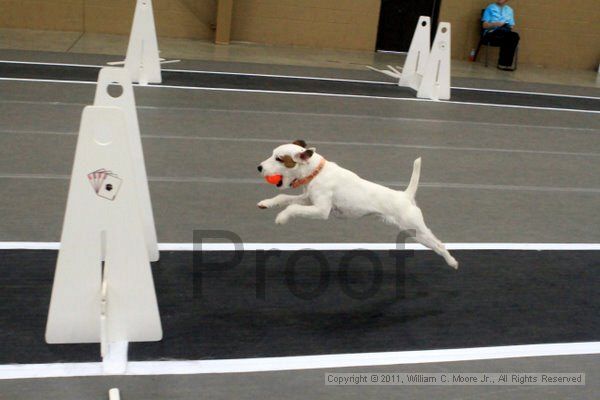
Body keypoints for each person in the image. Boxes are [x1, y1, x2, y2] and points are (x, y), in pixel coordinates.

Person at [482, 0, 520, 70]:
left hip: (504, 32)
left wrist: (506, 26)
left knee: (514, 36)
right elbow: (484, 25)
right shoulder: (490, 8)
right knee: (506, 36)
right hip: (492, 33)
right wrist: (495, 24)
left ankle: (506, 64)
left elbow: (511, 25)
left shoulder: (509, 10)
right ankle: (502, 63)